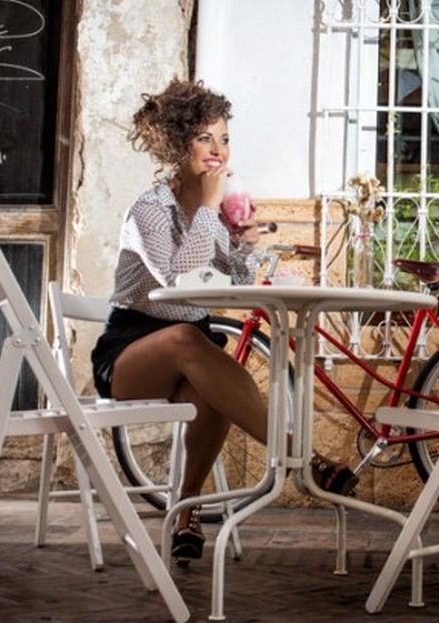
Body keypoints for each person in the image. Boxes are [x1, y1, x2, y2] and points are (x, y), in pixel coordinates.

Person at [90, 78, 357, 562]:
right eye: (205, 138)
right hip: (133, 353)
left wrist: (241, 247)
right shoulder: (149, 209)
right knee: (192, 344)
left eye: (225, 138)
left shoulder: (213, 211)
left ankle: (186, 509)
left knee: (207, 379)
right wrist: (210, 211)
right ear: (177, 143)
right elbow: (177, 280)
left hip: (190, 351)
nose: (218, 150)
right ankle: (304, 458)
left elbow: (231, 281)